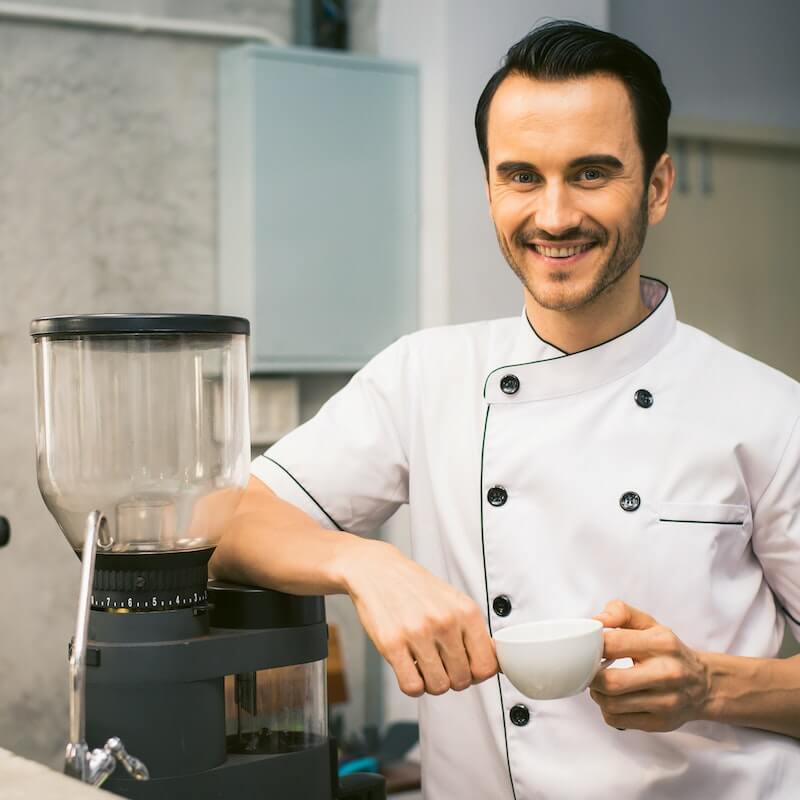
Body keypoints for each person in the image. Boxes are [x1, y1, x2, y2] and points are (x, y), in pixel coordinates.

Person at [211, 20, 800, 799]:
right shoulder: (426, 376)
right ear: (489, 187)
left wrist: (709, 686)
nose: (554, 216)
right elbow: (226, 525)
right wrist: (364, 563)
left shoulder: (767, 412)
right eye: (522, 176)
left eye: (591, 174)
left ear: (657, 187)